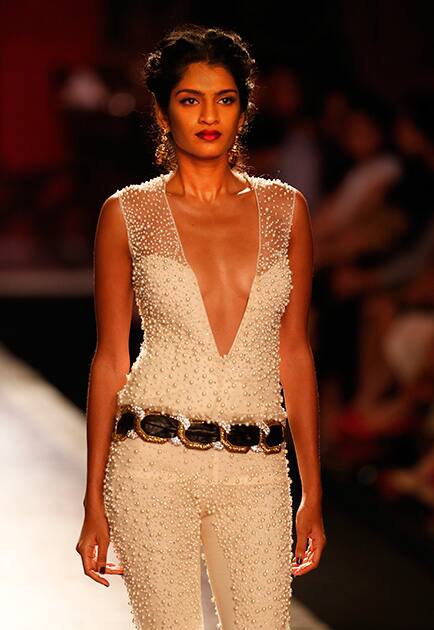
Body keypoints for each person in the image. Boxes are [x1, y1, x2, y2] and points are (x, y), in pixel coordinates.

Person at [75, 24, 326, 629]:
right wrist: (92, 500)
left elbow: (295, 352)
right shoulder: (127, 213)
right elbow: (111, 357)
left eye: (225, 98)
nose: (209, 115)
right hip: (151, 465)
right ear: (163, 114)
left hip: (258, 469)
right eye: (190, 100)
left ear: (244, 110)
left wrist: (312, 490)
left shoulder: (287, 210)